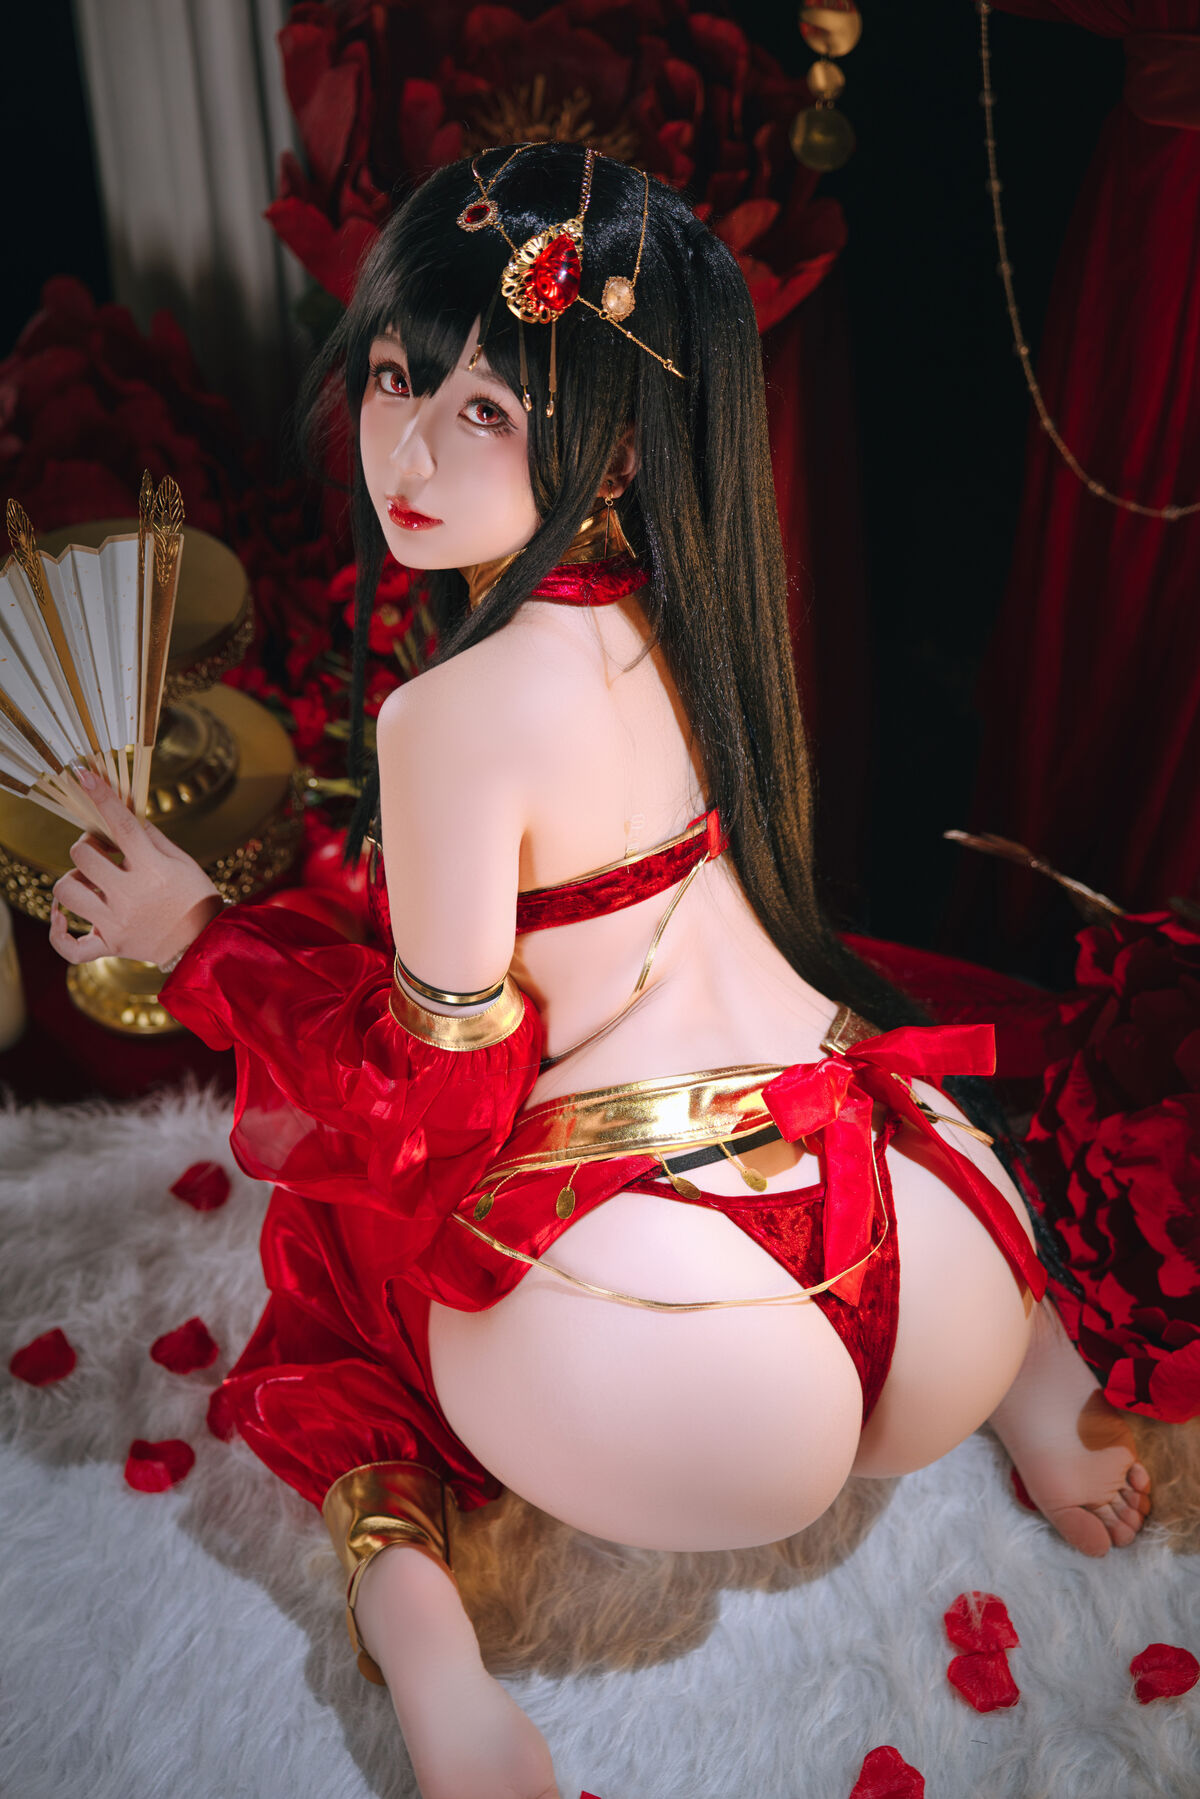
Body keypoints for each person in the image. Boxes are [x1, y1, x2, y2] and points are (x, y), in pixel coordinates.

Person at [48, 143, 1151, 1799]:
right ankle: (1035, 1386)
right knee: (837, 1036)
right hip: (930, 1246)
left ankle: (439, 1677)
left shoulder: (449, 714)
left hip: (682, 1334)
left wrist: (198, 945)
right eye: (399, 378)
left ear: (615, 443)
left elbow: (432, 1104)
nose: (409, 451)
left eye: (486, 410)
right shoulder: (695, 617)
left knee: (333, 1263)